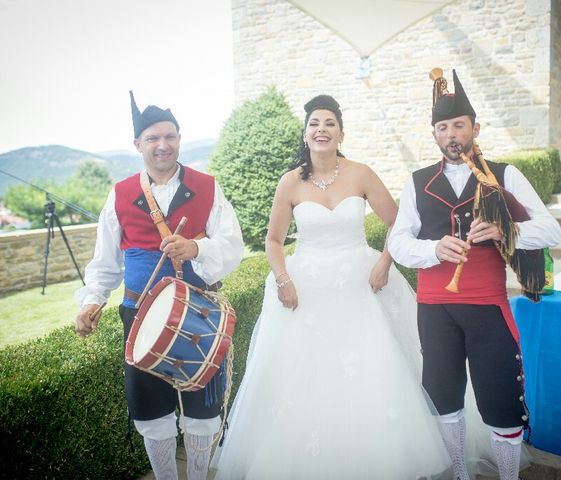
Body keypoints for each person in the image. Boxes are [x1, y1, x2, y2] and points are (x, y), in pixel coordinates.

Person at [212, 95, 452, 479]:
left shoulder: (361, 173)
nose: (321, 129)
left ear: (341, 133)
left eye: (329, 123)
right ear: (305, 134)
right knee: (302, 376)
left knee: (372, 368)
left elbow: (399, 225)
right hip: (305, 290)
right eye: (314, 124)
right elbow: (273, 242)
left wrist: (384, 264)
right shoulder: (290, 182)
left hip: (362, 284)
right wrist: (283, 279)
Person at [388, 69, 561, 480]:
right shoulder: (416, 183)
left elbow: (551, 228)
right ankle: (462, 474)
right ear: (434, 135)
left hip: (488, 306)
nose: (451, 134)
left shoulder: (505, 175)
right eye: (443, 127)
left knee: (501, 400)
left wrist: (507, 230)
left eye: (459, 126)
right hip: (434, 309)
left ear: (474, 128)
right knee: (444, 398)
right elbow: (398, 243)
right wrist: (433, 249)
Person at [75, 91, 244, 480]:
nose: (162, 145)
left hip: (199, 311)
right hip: (140, 317)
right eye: (153, 138)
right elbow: (105, 261)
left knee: (202, 410)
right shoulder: (119, 193)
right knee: (153, 412)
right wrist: (91, 301)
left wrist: (196, 246)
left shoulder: (207, 186)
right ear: (138, 145)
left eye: (170, 137)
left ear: (180, 139)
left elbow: (233, 245)